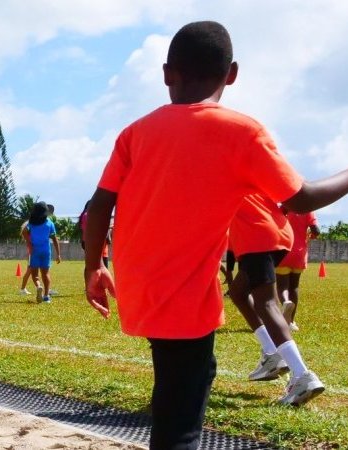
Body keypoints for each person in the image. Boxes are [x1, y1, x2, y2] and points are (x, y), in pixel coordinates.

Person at [81, 21, 348, 449]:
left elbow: (100, 204)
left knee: (176, 386)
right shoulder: (242, 133)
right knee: (181, 420)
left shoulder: (135, 132)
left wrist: (94, 266)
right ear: (232, 73)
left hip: (140, 287)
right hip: (186, 298)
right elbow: (301, 198)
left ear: (168, 73)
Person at [226, 195, 323, 406]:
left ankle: (302, 375)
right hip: (273, 232)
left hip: (257, 236)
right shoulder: (240, 170)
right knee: (238, 292)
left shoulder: (214, 171)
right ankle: (271, 354)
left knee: (266, 303)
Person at [277, 207, 318, 330]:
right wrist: (312, 235)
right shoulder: (307, 209)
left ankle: (285, 302)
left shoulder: (283, 208)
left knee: (282, 286)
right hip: (299, 253)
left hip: (283, 250)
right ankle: (291, 322)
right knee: (294, 287)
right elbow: (316, 229)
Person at [24, 203, 60, 303]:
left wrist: (29, 243)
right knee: (46, 274)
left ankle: (39, 286)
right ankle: (46, 296)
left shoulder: (31, 223)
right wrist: (58, 254)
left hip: (34, 251)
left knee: (35, 275)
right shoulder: (50, 223)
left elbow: (24, 232)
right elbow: (54, 239)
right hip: (46, 251)